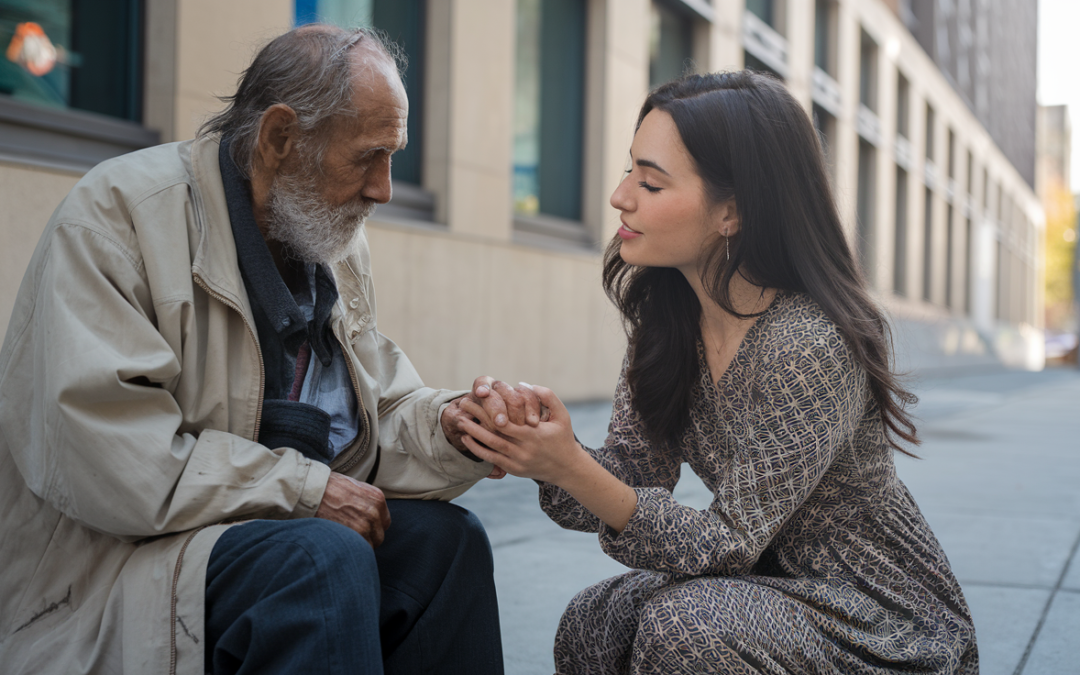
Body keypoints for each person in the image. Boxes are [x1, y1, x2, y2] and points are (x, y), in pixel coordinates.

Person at [0, 25, 542, 675]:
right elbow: (114, 461)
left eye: (392, 157)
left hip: (253, 537)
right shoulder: (118, 215)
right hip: (107, 576)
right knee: (320, 557)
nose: (385, 189)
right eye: (369, 156)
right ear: (280, 138)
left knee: (447, 545)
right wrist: (307, 490)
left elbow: (368, 421)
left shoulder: (328, 235)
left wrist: (454, 426)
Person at [458, 71, 979, 674]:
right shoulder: (669, 322)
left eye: (650, 182)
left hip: (877, 619)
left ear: (731, 212)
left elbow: (725, 543)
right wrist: (540, 447)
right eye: (630, 170)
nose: (620, 196)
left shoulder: (810, 343)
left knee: (687, 626)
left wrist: (569, 466)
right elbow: (630, 477)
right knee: (593, 620)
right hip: (760, 594)